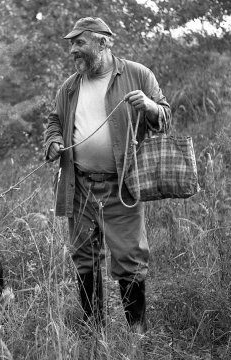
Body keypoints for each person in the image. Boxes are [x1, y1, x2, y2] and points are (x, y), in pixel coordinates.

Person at [44, 17, 171, 332]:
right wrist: (53, 141)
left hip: (121, 189)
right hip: (80, 186)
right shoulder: (71, 85)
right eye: (72, 44)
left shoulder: (138, 74)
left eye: (79, 43)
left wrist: (151, 107)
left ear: (103, 42)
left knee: (129, 257)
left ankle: (136, 335)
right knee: (84, 258)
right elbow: (54, 120)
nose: (73, 50)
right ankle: (93, 330)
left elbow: (166, 118)